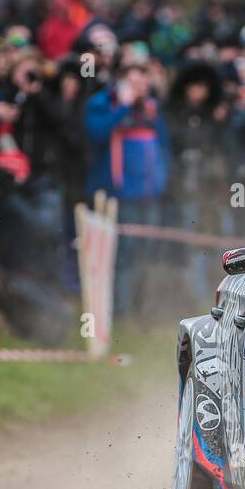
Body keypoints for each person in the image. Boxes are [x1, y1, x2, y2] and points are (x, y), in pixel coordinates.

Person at [84, 61, 171, 315]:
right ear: (120, 83)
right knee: (124, 256)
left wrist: (162, 179)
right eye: (133, 83)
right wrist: (122, 106)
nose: (139, 89)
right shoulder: (102, 104)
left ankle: (140, 313)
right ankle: (119, 313)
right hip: (118, 197)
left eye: (143, 84)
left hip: (149, 195)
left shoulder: (152, 108)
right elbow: (96, 134)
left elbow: (164, 146)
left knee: (145, 254)